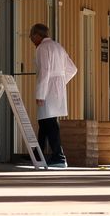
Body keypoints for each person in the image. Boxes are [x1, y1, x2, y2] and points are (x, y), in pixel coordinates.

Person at [29, 23, 77, 168]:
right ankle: (38, 155)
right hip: (57, 90)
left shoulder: (42, 48)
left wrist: (40, 94)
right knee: (44, 122)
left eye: (32, 36)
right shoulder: (58, 47)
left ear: (38, 35)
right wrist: (61, 81)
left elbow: (44, 72)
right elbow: (72, 69)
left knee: (49, 123)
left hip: (48, 90)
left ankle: (59, 157)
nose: (31, 39)